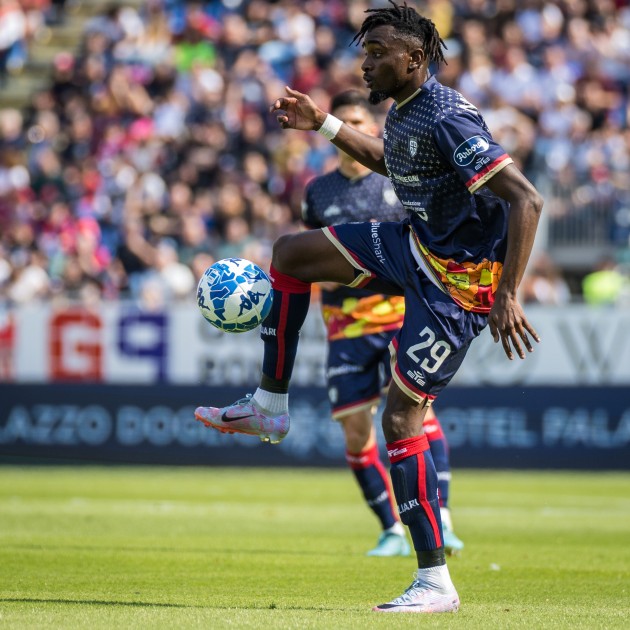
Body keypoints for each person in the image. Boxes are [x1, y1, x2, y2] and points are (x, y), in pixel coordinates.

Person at [196, 1, 542, 614]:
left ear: (415, 59)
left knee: (401, 421)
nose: (366, 64)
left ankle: (435, 582)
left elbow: (525, 199)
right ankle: (270, 406)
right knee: (291, 254)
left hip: (457, 287)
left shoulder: (448, 116)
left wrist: (507, 292)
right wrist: (323, 122)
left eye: (378, 54)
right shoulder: (405, 114)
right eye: (365, 52)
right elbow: (391, 163)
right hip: (414, 247)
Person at [301, 89, 463, 558]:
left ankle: (443, 518)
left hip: (398, 317)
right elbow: (314, 249)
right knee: (355, 430)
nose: (351, 127)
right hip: (345, 326)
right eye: (342, 120)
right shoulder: (317, 191)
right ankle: (391, 527)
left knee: (417, 414)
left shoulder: (399, 180)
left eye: (358, 120)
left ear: (373, 129)